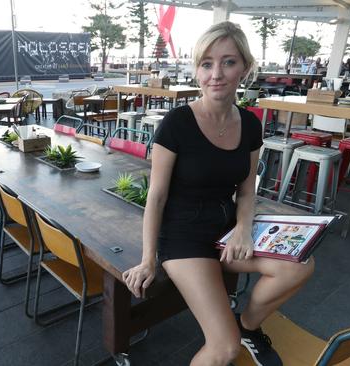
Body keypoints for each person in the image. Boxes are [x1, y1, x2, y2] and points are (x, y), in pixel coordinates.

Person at [122, 21, 314, 366]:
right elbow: (157, 197)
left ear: (245, 67)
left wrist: (243, 227)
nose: (217, 73)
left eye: (228, 62)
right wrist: (148, 258)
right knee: (224, 349)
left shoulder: (251, 124)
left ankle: (248, 326)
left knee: (301, 265)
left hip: (225, 231)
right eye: (207, 63)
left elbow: (246, 189)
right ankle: (236, 335)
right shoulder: (177, 123)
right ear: (196, 70)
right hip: (184, 239)